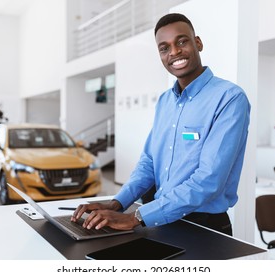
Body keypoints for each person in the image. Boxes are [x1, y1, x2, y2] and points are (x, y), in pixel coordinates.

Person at [71, 13, 250, 236]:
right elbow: (149, 161)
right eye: (164, 48)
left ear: (198, 43)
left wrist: (136, 217)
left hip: (203, 226)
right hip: (161, 218)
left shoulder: (229, 98)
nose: (174, 52)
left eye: (182, 42)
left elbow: (208, 180)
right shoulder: (165, 101)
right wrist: (118, 203)